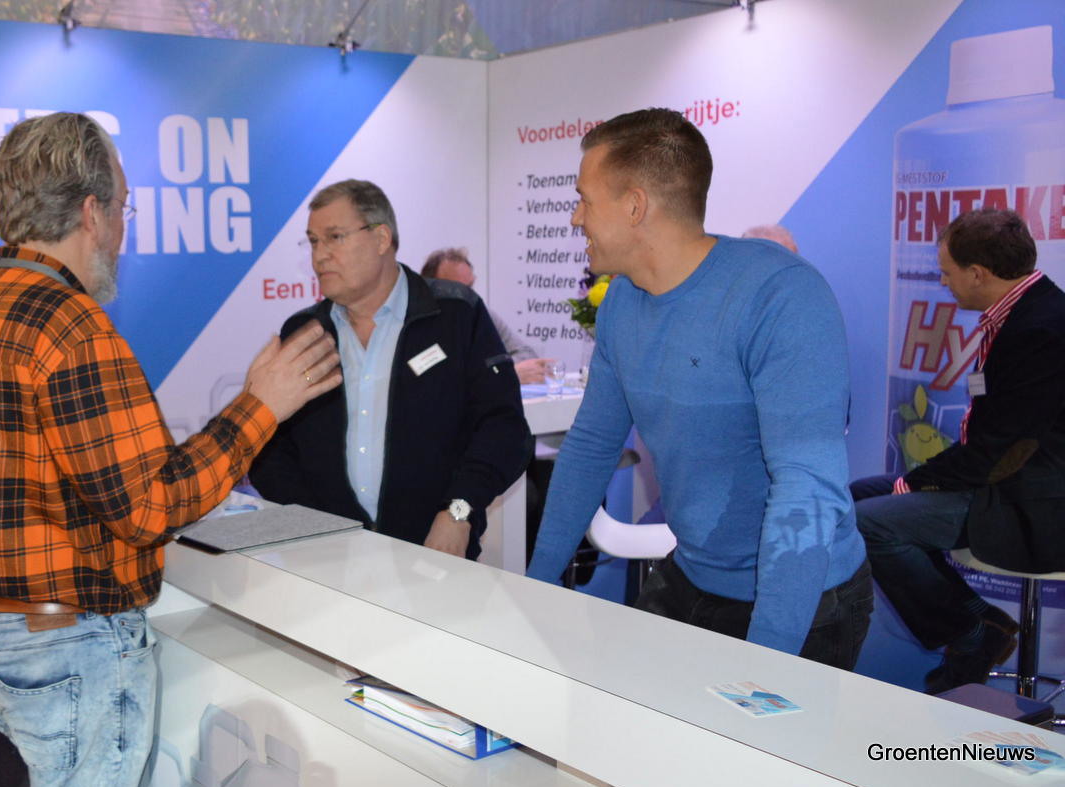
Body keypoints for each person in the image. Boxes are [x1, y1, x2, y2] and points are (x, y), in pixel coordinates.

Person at [0, 113, 341, 787]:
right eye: (124, 208)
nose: (123, 230)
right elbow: (149, 507)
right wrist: (261, 407)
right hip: (62, 644)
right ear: (91, 212)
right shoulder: (70, 328)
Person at [525, 108, 872, 668]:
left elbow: (805, 489)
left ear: (634, 206)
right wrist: (536, 587)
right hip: (693, 574)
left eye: (585, 199)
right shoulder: (621, 302)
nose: (575, 217)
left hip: (803, 603)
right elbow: (591, 446)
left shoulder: (781, 295)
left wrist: (767, 665)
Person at [251, 180, 532, 560]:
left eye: (334, 237)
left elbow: (503, 429)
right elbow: (269, 448)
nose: (319, 256)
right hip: (326, 559)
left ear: (381, 238)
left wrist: (458, 511)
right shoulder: (304, 333)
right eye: (313, 241)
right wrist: (312, 524)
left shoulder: (456, 316)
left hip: (435, 555)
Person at [855, 208, 1065, 693]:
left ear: (978, 273)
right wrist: (918, 480)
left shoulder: (1042, 329)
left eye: (947, 272)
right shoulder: (1023, 312)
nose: (943, 282)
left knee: (868, 521)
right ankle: (978, 622)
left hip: (1029, 498)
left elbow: (1002, 452)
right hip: (999, 477)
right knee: (854, 496)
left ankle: (969, 635)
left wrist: (914, 482)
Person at [421, 247, 554, 383]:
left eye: (470, 287)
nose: (466, 296)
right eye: (456, 289)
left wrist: (503, 371)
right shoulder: (418, 323)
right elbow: (433, 380)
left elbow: (526, 355)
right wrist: (504, 373)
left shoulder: (481, 314)